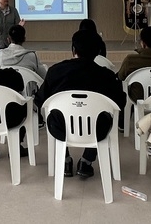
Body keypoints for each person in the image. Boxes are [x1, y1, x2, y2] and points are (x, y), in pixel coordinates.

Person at [34, 29, 125, 179]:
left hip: (60, 128)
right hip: (97, 130)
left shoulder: (55, 71)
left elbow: (40, 100)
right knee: (101, 117)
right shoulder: (106, 76)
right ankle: (86, 162)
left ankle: (65, 160)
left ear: (73, 50)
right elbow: (120, 102)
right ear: (98, 52)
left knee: (57, 116)